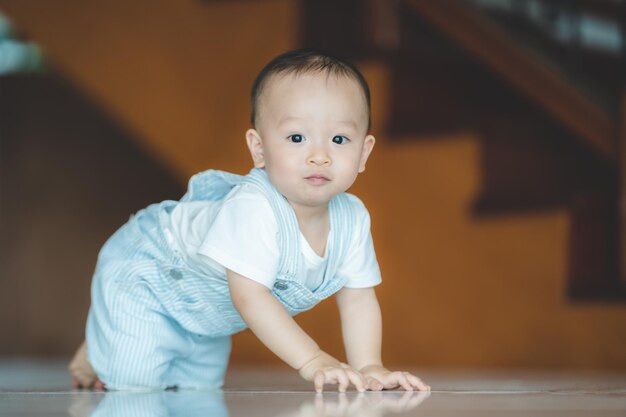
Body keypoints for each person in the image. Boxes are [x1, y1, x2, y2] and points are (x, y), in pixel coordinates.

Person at [68, 49, 430, 393]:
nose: (319, 156)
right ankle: (102, 347)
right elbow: (250, 297)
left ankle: (109, 338)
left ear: (363, 152)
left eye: (339, 139)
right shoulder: (254, 207)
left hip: (205, 315)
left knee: (195, 391)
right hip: (149, 272)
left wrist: (369, 367)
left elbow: (357, 299)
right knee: (135, 385)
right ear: (259, 148)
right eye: (297, 137)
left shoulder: (352, 218)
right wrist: (314, 359)